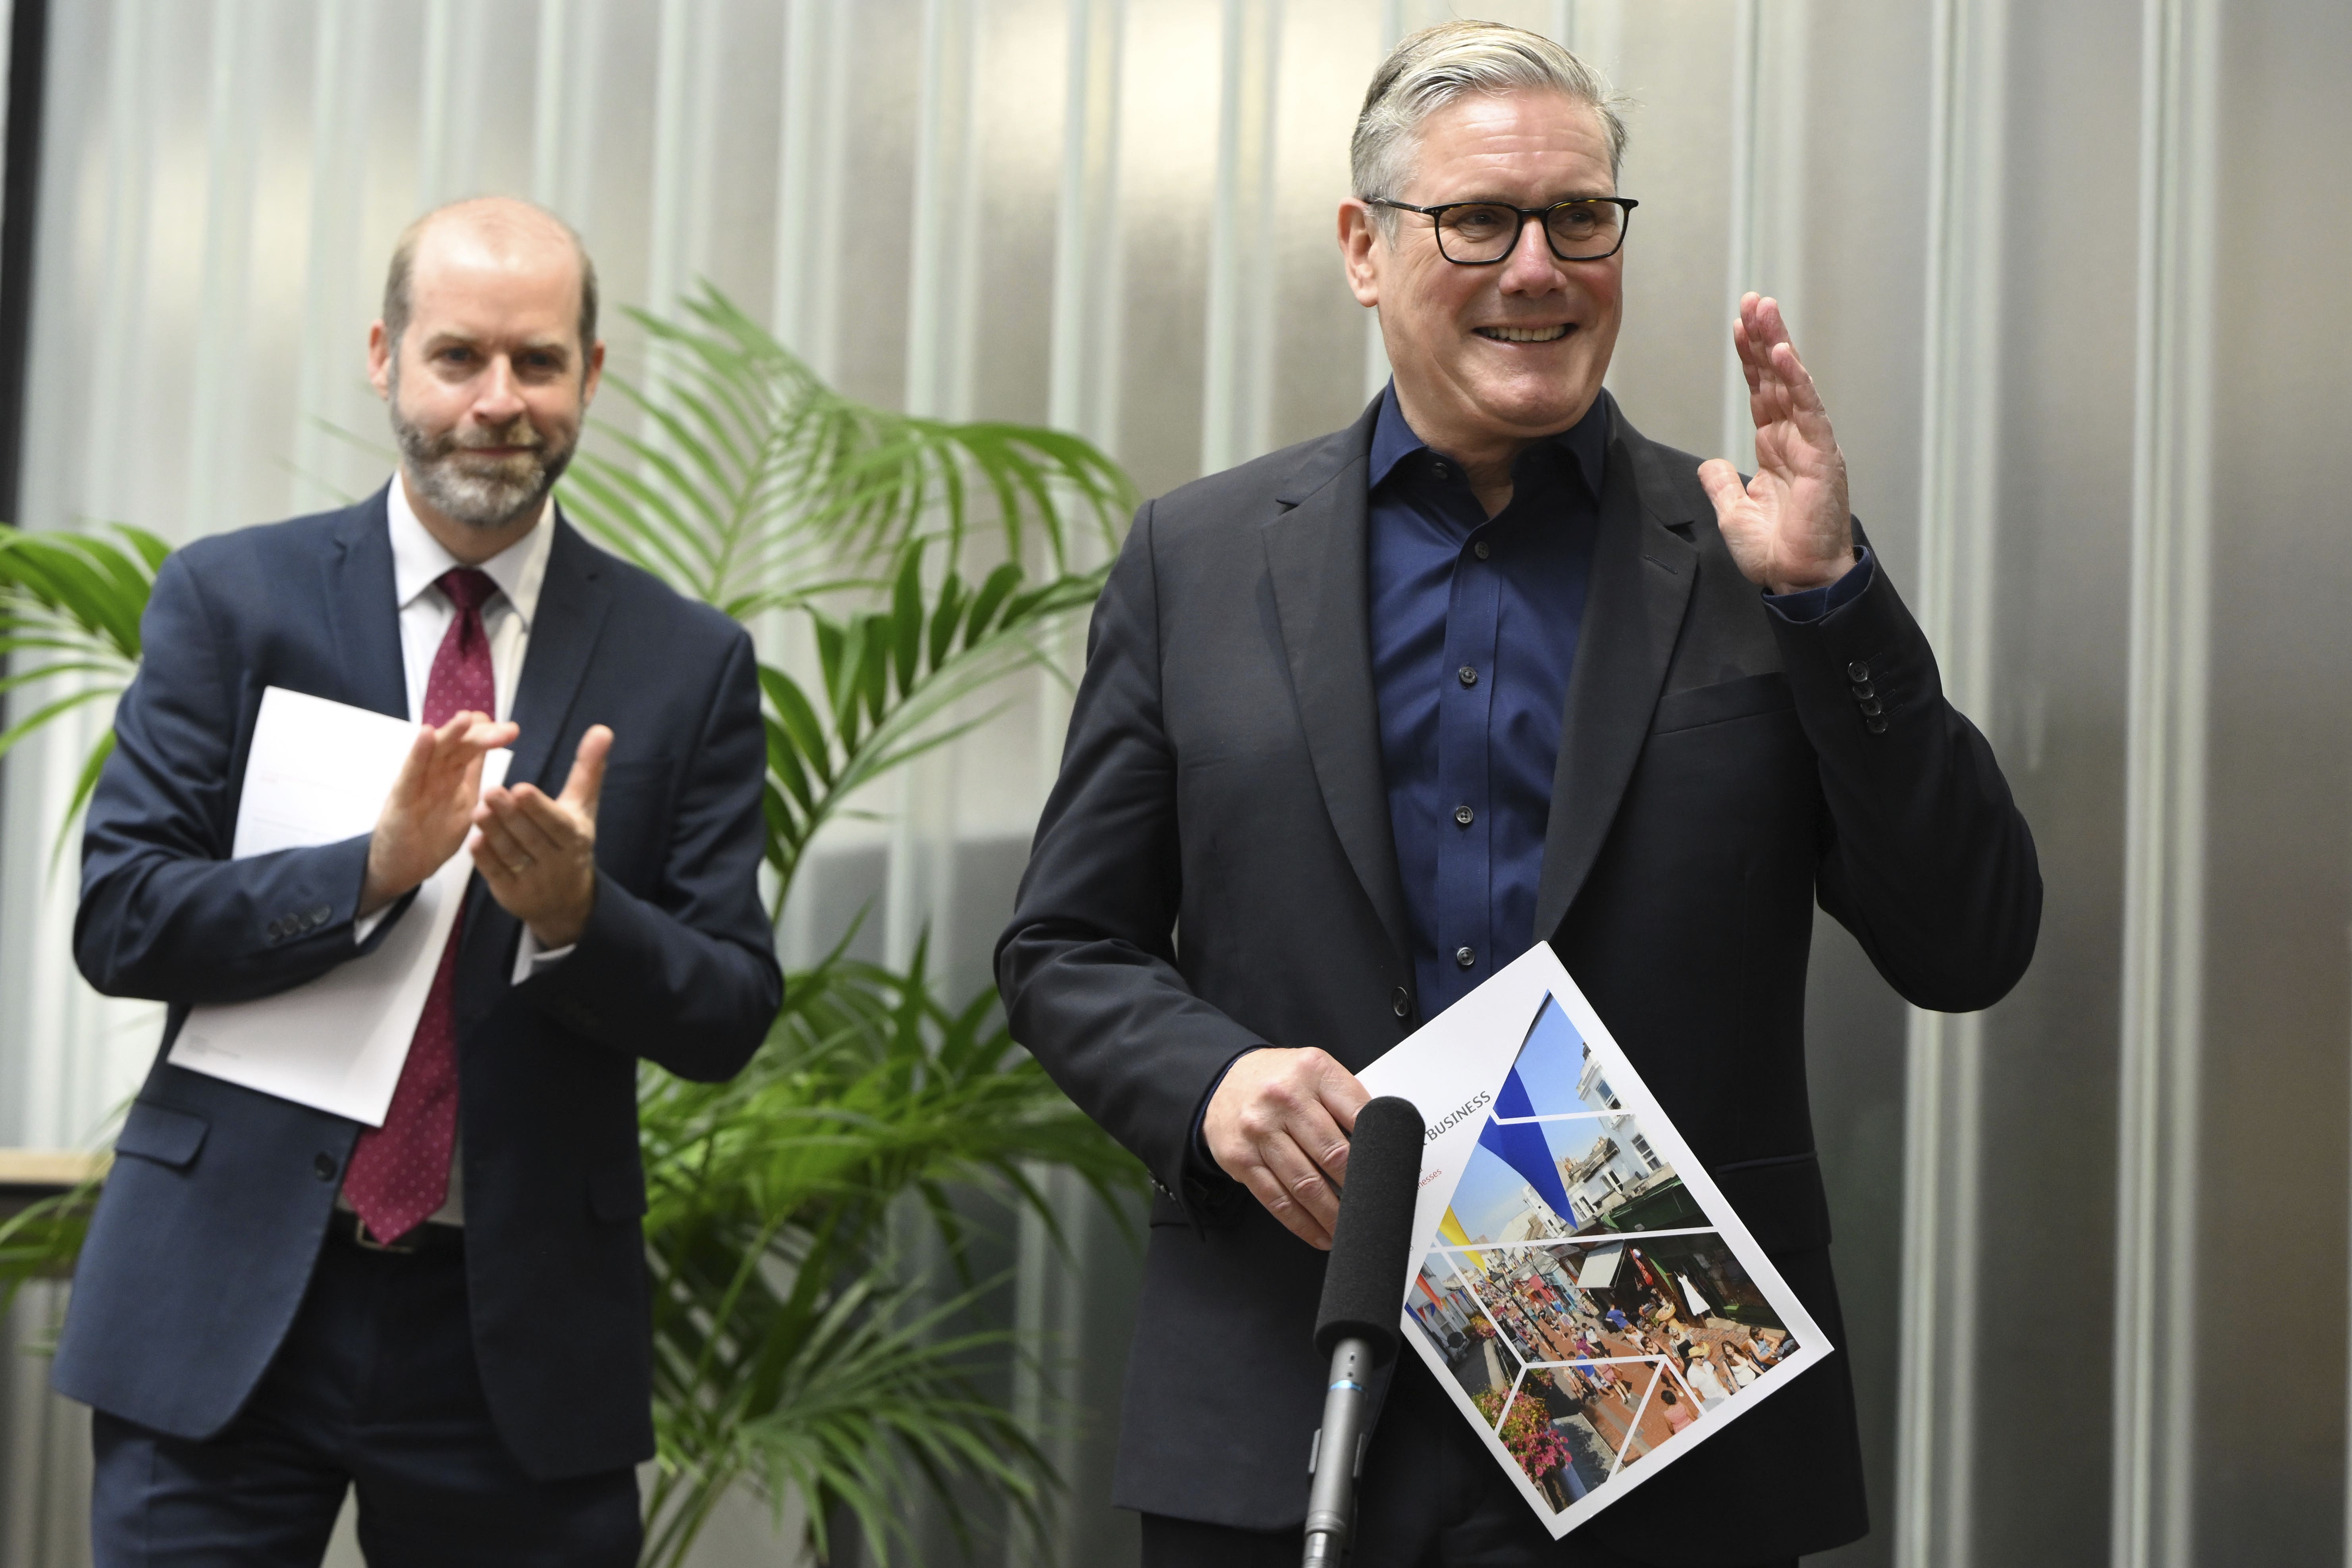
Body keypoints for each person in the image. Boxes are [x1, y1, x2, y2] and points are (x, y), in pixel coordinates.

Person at [997, 19, 2038, 1567]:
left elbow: (1970, 943)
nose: (1538, 267)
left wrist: (1834, 603)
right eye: (1480, 220)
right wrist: (1211, 1083)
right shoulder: (1196, 561)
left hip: (1660, 1419)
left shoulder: (1755, 558)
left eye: (1579, 218)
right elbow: (1062, 948)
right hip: (1287, 1406)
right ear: (1366, 248)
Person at [52, 198, 782, 1566]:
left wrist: (578, 922)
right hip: (226, 1305)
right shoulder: (233, 600)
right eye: (458, 357)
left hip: (515, 1346)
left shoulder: (687, 664)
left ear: (591, 375)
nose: (499, 401)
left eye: (538, 362)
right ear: (384, 356)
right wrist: (370, 872)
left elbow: (730, 1009)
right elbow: (122, 918)